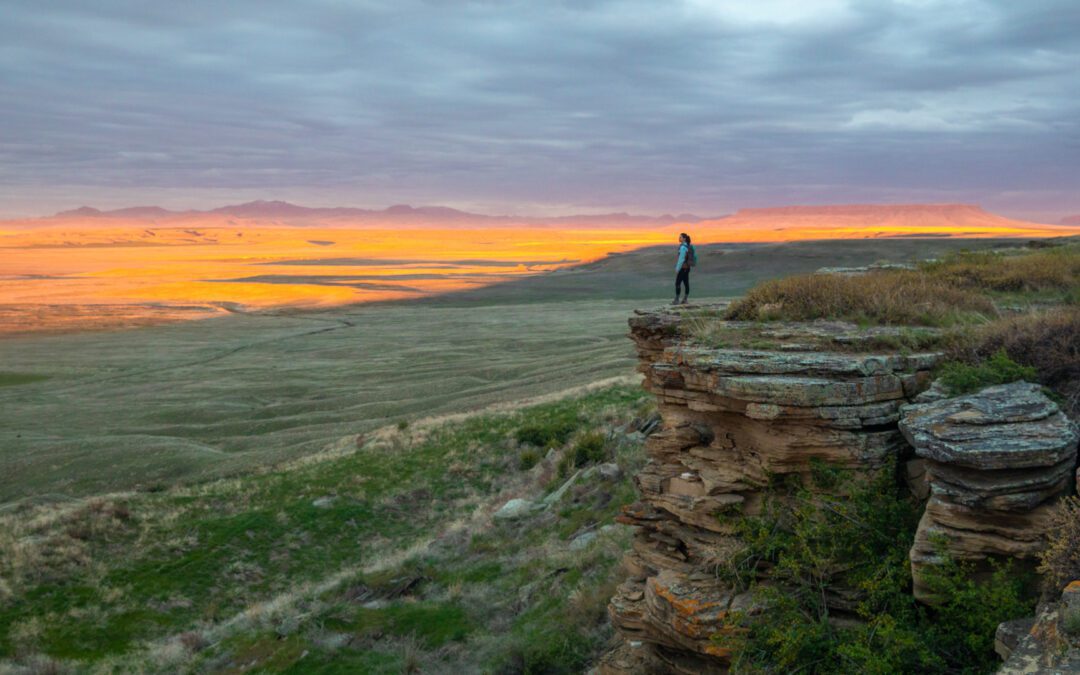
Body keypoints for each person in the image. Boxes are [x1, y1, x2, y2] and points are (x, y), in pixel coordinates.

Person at [673, 232, 695, 305]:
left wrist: (677, 269)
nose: (679, 238)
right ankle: (685, 299)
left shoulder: (683, 247)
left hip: (683, 268)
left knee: (677, 283)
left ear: (684, 238)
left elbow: (681, 259)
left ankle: (677, 300)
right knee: (686, 283)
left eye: (680, 237)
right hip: (687, 268)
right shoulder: (688, 246)